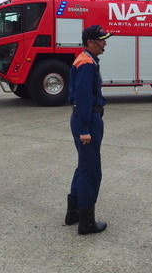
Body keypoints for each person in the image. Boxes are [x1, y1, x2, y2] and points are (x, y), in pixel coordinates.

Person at [65, 24, 112, 235]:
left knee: (83, 166)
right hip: (88, 119)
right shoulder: (86, 63)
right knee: (91, 170)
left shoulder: (87, 59)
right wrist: (85, 128)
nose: (105, 43)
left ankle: (73, 212)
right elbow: (82, 98)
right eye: (101, 40)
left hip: (86, 118)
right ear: (91, 42)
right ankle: (87, 222)